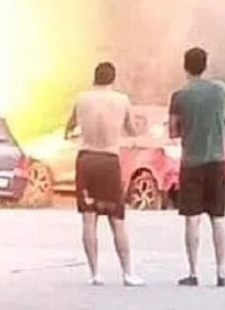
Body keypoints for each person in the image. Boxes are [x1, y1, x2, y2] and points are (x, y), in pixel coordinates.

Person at [66, 62, 145, 287]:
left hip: (86, 158)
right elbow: (131, 130)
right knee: (117, 219)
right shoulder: (121, 100)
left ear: (95, 77)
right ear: (113, 78)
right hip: (109, 159)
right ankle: (127, 273)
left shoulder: (82, 99)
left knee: (88, 218)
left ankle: (94, 273)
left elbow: (69, 128)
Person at [168, 47, 225, 287]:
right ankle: (222, 272)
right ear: (206, 65)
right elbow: (224, 119)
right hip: (217, 160)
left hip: (192, 162)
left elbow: (173, 131)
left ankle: (193, 271)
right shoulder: (220, 91)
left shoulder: (180, 96)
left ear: (185, 67)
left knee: (192, 218)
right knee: (218, 217)